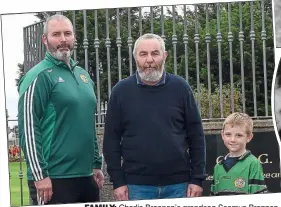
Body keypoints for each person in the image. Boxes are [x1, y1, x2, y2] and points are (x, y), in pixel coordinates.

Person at [103, 33, 206, 201]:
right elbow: (111, 140)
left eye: (155, 53)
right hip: (136, 187)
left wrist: (197, 178)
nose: (149, 59)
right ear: (135, 56)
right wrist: (118, 181)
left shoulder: (181, 88)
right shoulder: (120, 92)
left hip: (179, 185)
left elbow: (196, 135)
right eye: (143, 54)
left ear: (164, 56)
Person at [18, 14, 104, 205]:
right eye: (56, 34)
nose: (63, 39)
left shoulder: (83, 76)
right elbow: (29, 129)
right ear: (45, 39)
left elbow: (88, 124)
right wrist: (40, 175)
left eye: (67, 33)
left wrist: (96, 164)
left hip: (87, 177)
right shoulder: (37, 76)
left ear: (74, 37)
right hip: (53, 179)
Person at [210, 112, 268, 195]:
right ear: (222, 135)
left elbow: (258, 197)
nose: (232, 139)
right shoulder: (218, 167)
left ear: (248, 137)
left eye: (239, 135)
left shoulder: (253, 164)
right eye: (228, 134)